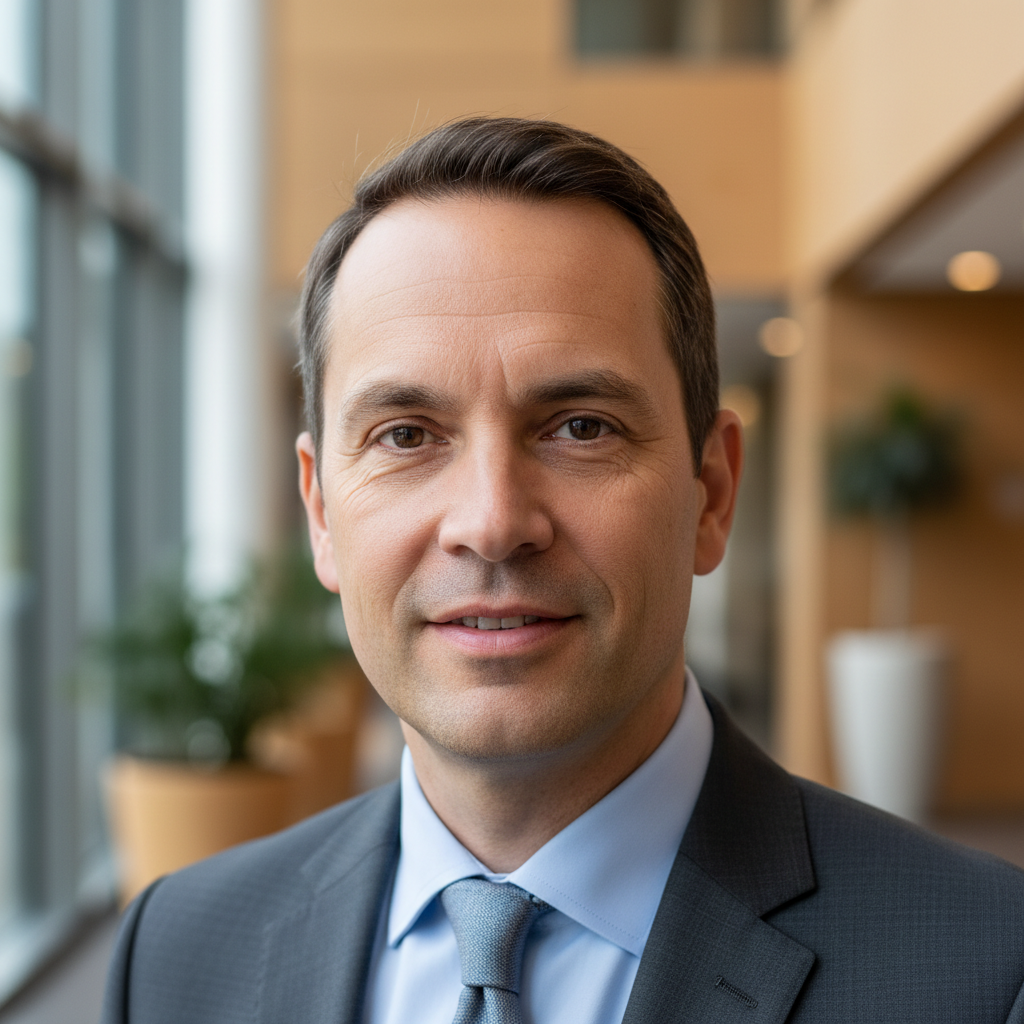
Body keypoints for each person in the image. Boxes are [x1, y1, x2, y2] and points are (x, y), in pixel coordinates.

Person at [101, 118, 1024, 1024]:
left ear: (710, 493)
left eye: (581, 426)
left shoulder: (986, 972)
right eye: (406, 436)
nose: (493, 523)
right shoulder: (175, 956)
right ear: (321, 514)